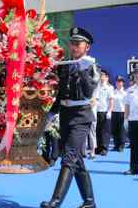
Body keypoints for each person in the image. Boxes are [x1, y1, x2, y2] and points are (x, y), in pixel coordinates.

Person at [40, 27, 99, 208]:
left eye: (77, 44)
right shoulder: (65, 66)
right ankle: (89, 201)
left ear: (86, 47)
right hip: (65, 116)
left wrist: (83, 70)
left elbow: (88, 92)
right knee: (76, 161)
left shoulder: (92, 67)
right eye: (71, 43)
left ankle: (56, 201)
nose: (73, 47)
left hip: (81, 117)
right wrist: (51, 113)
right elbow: (60, 94)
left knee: (69, 158)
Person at [94, 69, 114, 156]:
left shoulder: (109, 87)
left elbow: (111, 100)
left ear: (106, 77)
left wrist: (109, 111)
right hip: (96, 111)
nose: (101, 77)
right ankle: (98, 147)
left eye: (102, 75)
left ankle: (104, 148)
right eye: (100, 75)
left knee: (105, 131)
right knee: (97, 130)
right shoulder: (96, 86)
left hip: (105, 111)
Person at [110, 76, 127, 152]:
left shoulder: (125, 93)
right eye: (117, 82)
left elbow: (127, 104)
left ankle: (121, 145)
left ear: (123, 83)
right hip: (114, 112)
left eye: (120, 82)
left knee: (121, 130)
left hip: (122, 112)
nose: (119, 83)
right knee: (115, 130)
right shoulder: (113, 92)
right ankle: (116, 145)